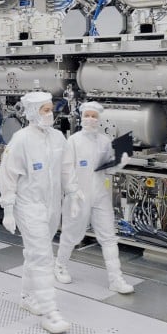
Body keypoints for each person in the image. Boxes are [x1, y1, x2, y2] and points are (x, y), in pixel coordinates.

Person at [0, 91, 84, 334]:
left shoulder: (58, 138)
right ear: (33, 112)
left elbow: (67, 169)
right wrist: (8, 209)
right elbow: (7, 175)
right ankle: (50, 312)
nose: (51, 114)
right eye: (46, 110)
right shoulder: (21, 139)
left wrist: (74, 194)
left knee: (35, 254)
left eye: (51, 109)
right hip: (29, 205)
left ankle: (27, 296)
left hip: (51, 206)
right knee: (43, 257)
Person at [54, 101, 135, 294]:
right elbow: (65, 170)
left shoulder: (104, 141)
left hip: (100, 195)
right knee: (71, 235)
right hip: (78, 196)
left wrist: (121, 163)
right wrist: (72, 193)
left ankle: (116, 279)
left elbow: (108, 169)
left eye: (94, 116)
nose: (90, 119)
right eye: (87, 115)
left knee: (108, 237)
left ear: (99, 119)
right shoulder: (73, 141)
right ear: (81, 117)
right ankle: (59, 266)